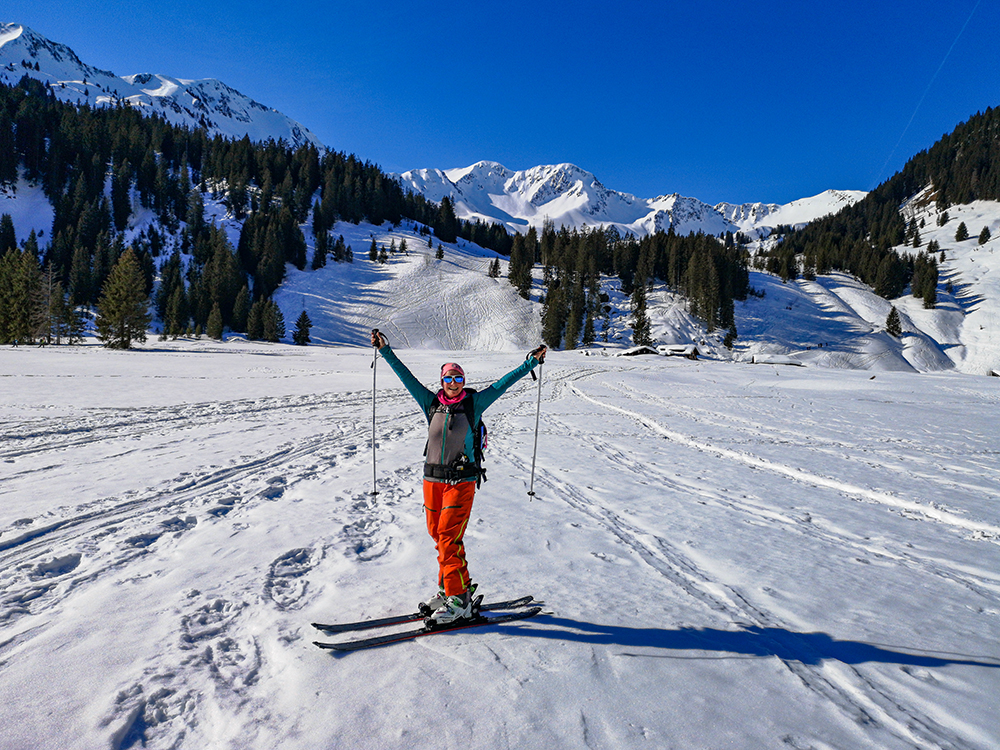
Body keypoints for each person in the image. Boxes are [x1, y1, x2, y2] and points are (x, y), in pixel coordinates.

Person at [371, 329, 546, 624]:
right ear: (442, 382)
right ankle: (450, 589)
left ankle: (459, 601)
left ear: (464, 382)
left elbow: (502, 385)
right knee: (439, 537)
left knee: (449, 538)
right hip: (432, 482)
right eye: (449, 379)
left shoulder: (473, 404)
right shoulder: (431, 403)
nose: (454, 384)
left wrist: (529, 363)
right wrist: (386, 351)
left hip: (461, 481)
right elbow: (407, 377)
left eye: (459, 378)